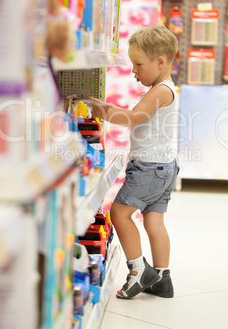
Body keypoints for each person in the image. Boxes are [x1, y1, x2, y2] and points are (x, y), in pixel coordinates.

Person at [88, 25, 180, 300]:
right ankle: (162, 277)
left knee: (119, 214)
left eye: (138, 64)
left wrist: (100, 109)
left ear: (160, 61)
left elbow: (132, 118)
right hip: (165, 166)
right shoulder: (166, 88)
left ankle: (138, 269)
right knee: (154, 221)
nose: (133, 70)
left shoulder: (159, 91)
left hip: (149, 168)